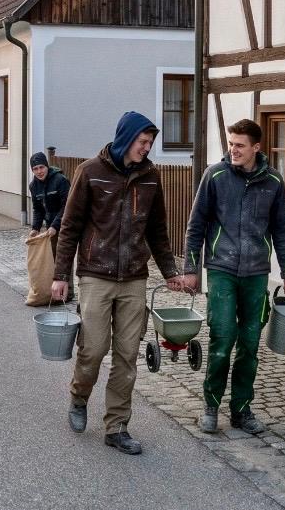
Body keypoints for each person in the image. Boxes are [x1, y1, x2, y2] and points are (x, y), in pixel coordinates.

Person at [51, 111, 188, 455]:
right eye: (142, 142)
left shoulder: (151, 177)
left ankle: (117, 426)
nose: (147, 148)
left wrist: (170, 272)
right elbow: (69, 228)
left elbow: (157, 231)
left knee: (127, 355)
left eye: (150, 143)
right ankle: (79, 397)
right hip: (95, 274)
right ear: (126, 138)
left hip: (134, 278)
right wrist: (60, 277)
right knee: (93, 349)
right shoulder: (90, 172)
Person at [182, 118, 285, 436]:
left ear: (256, 148)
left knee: (249, 345)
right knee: (222, 339)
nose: (233, 149)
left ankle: (241, 410)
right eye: (231, 143)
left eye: (240, 145)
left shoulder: (273, 181)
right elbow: (196, 225)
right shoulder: (215, 176)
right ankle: (210, 406)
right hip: (221, 270)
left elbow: (282, 229)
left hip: (257, 274)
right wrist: (191, 269)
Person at [27, 152, 71, 300]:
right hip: (50, 227)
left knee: (63, 257)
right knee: (50, 259)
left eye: (41, 167)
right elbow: (38, 209)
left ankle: (67, 293)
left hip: (65, 225)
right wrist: (35, 228)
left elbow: (67, 206)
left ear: (47, 166)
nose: (39, 171)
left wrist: (55, 226)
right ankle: (51, 291)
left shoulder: (60, 180)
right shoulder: (33, 185)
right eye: (35, 169)